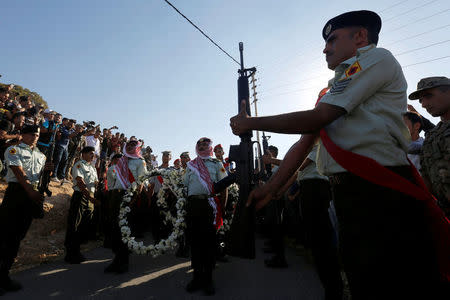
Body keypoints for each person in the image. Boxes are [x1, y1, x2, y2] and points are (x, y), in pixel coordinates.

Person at [230, 10, 446, 299]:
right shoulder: (339, 82)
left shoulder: (377, 58)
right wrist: (271, 188)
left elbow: (319, 117)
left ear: (360, 36)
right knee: (363, 279)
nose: (325, 48)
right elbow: (305, 141)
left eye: (332, 39)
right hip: (352, 195)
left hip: (380, 191)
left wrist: (252, 123)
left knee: (396, 282)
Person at [0, 125, 48, 294]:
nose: (34, 137)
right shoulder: (14, 150)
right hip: (17, 193)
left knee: (17, 237)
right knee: (5, 235)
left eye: (36, 135)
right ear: (22, 135)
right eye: (30, 134)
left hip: (32, 194)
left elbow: (38, 177)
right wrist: (30, 192)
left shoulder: (41, 155)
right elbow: (17, 171)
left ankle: (4, 277)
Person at [183, 137, 227, 295]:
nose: (202, 146)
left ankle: (208, 279)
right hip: (193, 206)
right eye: (199, 144)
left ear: (210, 147)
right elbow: (185, 186)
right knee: (195, 243)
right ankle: (196, 277)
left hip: (210, 206)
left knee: (208, 244)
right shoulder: (191, 165)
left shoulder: (217, 164)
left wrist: (222, 207)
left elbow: (224, 187)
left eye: (205, 144)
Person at [409, 76, 450, 218]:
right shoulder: (432, 136)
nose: (424, 104)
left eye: (428, 96)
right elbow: (427, 180)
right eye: (421, 100)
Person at [104, 140, 147, 273]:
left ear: (137, 148)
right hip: (116, 197)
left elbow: (141, 182)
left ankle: (123, 262)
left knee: (125, 230)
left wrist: (134, 199)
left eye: (133, 145)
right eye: (128, 145)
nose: (129, 147)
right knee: (115, 229)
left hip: (129, 196)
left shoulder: (140, 162)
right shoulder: (121, 160)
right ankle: (117, 259)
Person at [64, 146, 99, 264]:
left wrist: (93, 197)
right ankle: (70, 253)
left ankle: (77, 251)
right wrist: (89, 197)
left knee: (85, 224)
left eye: (93, 154)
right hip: (80, 196)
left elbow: (95, 183)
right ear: (83, 154)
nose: (92, 156)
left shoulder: (93, 168)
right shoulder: (79, 165)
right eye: (90, 153)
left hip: (90, 197)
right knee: (75, 224)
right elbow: (80, 182)